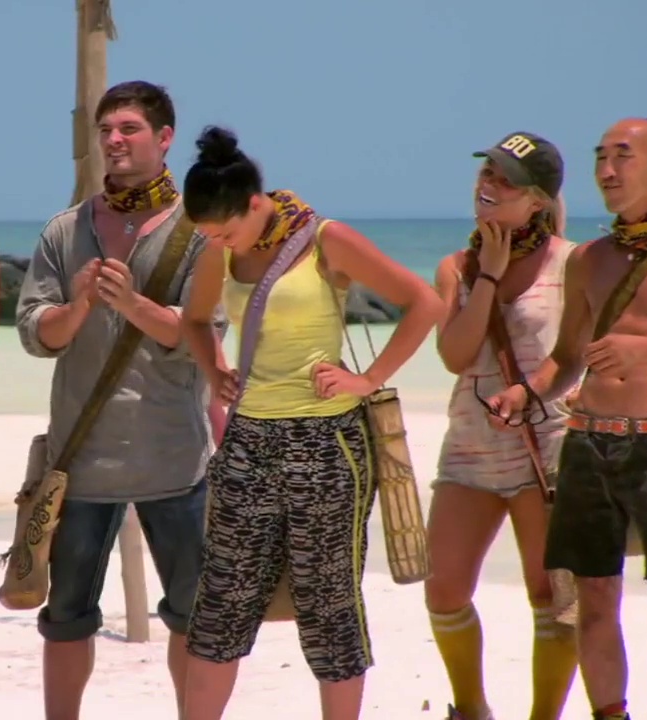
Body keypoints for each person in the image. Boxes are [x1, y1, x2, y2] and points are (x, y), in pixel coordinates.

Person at [178, 126, 443, 720]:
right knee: (221, 605)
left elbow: (425, 303)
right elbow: (194, 321)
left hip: (326, 444)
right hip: (248, 441)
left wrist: (367, 379)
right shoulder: (220, 250)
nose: (218, 243)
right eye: (208, 235)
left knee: (329, 608)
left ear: (255, 203)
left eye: (224, 231)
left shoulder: (326, 239)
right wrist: (214, 369)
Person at [488, 118, 647, 720]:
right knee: (595, 602)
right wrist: (526, 394)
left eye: (622, 157)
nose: (606, 170)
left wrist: (643, 351)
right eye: (600, 157)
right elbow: (567, 358)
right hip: (587, 444)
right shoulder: (588, 259)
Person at [15, 80, 223, 720]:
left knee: (193, 617)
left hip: (175, 460)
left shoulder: (199, 233)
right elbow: (35, 334)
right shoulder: (65, 230)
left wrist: (132, 303)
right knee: (65, 618)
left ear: (165, 138)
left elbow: (203, 337)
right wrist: (79, 305)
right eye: (106, 130)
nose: (113, 140)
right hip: (80, 463)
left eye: (129, 128)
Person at [425, 132, 578, 720]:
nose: (487, 185)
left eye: (504, 179)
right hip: (470, 447)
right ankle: (471, 709)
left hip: (549, 446)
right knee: (444, 589)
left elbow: (575, 355)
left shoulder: (572, 263)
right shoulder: (457, 268)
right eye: (486, 172)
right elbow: (455, 356)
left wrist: (530, 392)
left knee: (551, 596)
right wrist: (487, 275)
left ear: (536, 200)